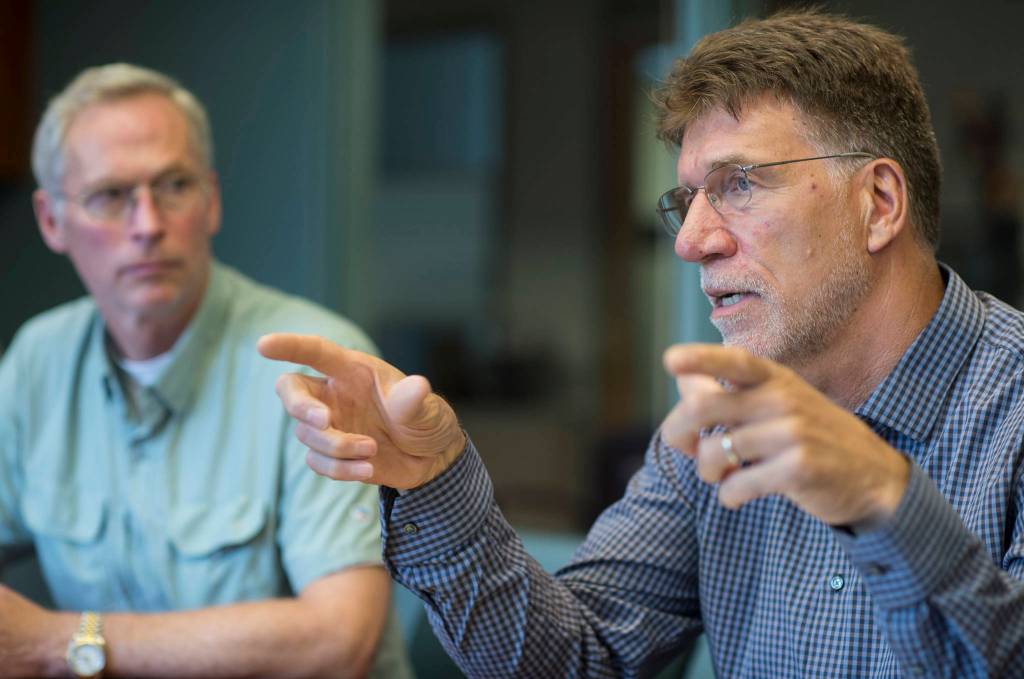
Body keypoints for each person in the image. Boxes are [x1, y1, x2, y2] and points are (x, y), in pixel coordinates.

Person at [260, 10, 1024, 678]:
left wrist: (888, 504)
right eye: (687, 199)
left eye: (739, 184)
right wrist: (435, 479)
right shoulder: (714, 427)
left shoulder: (1011, 407)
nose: (690, 241)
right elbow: (574, 659)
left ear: (880, 202)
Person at [0, 63, 410, 678]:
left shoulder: (314, 363)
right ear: (51, 221)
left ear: (212, 201)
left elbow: (338, 641)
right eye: (109, 196)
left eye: (173, 186)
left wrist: (60, 641)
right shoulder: (38, 360)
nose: (148, 225)